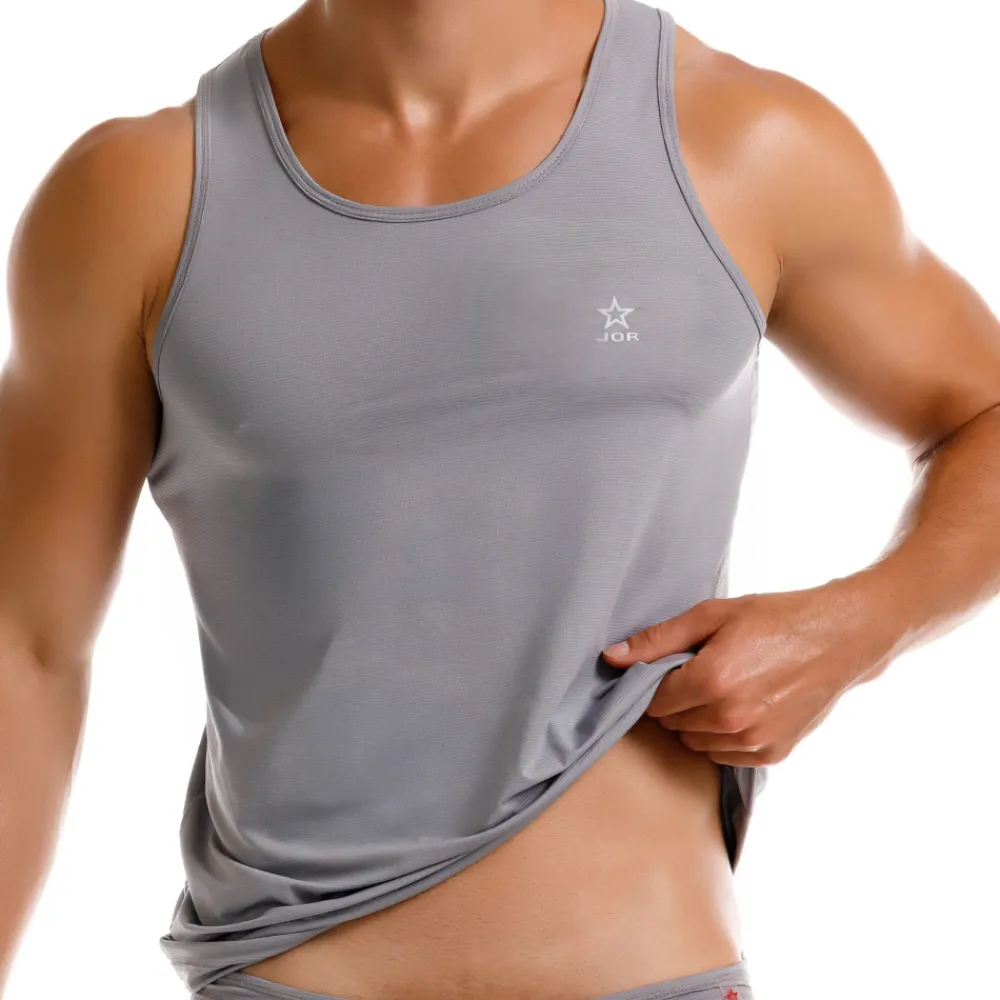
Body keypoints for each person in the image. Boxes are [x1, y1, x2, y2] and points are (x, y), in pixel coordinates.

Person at [2, 0, 999, 997]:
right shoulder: (139, 193)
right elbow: (26, 643)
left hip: (647, 969)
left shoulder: (741, 140)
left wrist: (858, 625)